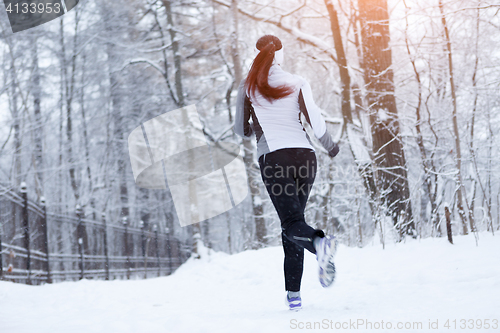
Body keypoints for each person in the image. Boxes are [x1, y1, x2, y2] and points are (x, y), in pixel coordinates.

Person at [234, 35, 339, 311]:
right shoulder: (298, 82)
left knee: (292, 224)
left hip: (275, 160)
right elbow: (315, 123)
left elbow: (240, 130)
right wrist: (332, 147)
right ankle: (294, 295)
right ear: (280, 55)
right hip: (306, 159)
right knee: (292, 225)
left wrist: (255, 126)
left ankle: (319, 244)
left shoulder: (247, 87)